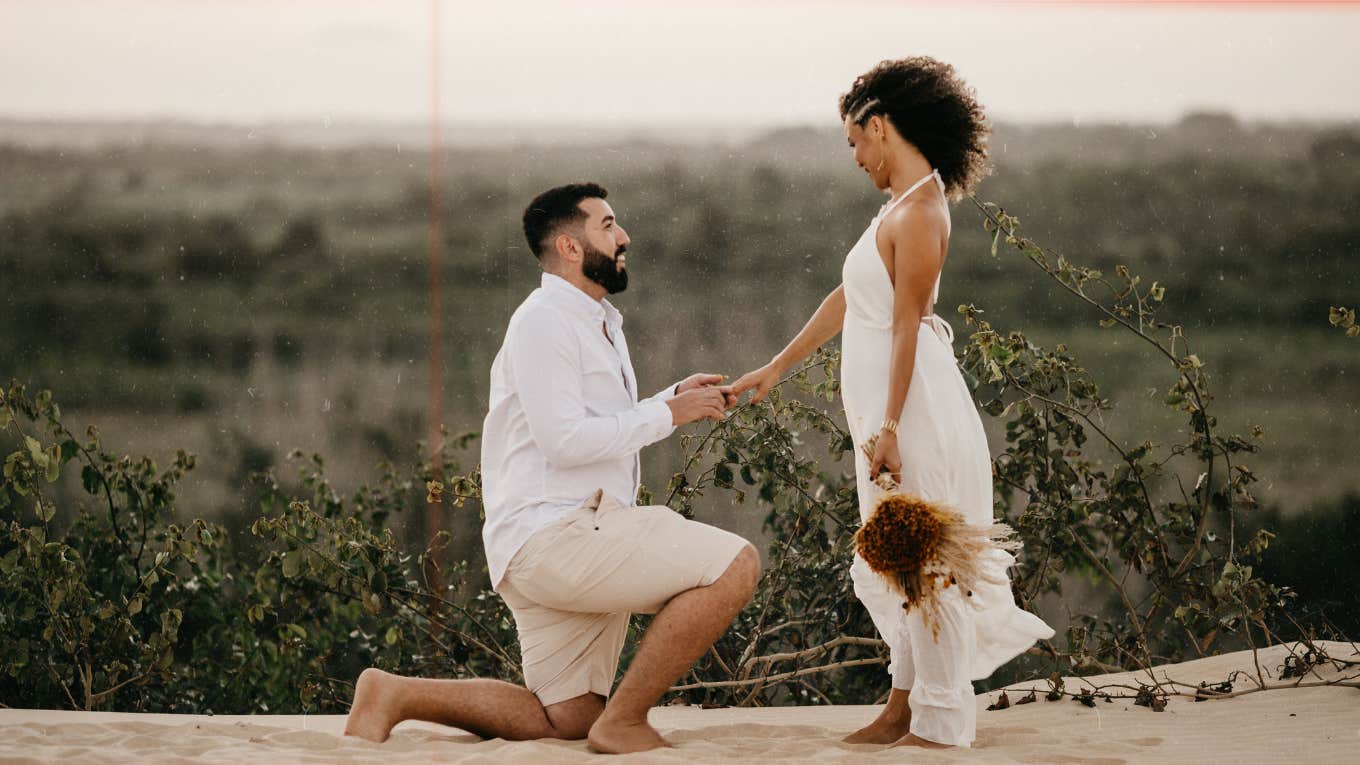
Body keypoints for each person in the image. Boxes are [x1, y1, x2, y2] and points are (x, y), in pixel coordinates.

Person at [344, 182, 759, 754]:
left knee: (564, 719)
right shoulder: (543, 322)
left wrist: (673, 395)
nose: (623, 236)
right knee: (735, 566)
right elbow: (564, 442)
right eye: (608, 225)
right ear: (568, 246)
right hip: (559, 534)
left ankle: (394, 695)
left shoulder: (592, 320)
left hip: (552, 541)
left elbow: (593, 422)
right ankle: (627, 720)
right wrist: (668, 413)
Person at [731, 57, 1053, 749]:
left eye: (855, 141)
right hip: (889, 411)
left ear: (880, 125)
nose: (855, 158)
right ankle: (902, 705)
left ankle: (940, 722)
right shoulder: (898, 208)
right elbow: (853, 300)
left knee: (924, 561)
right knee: (899, 556)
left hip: (912, 414)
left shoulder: (923, 211)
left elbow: (908, 323)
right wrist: (778, 366)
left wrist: (890, 427)